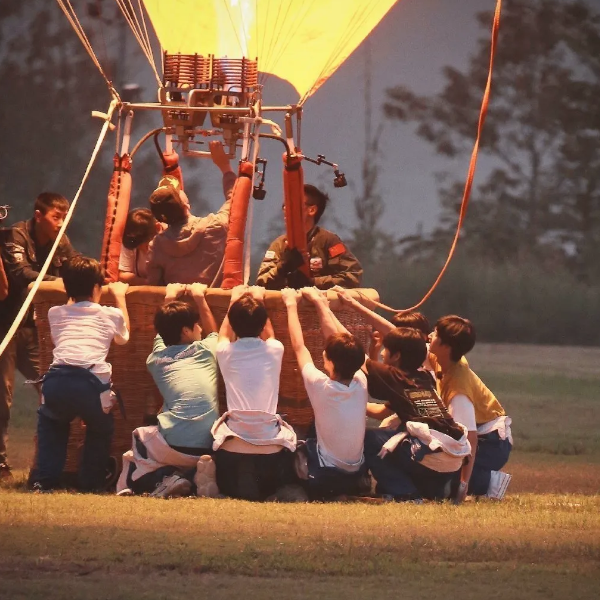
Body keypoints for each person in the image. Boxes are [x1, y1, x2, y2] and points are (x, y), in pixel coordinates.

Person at [335, 288, 471, 502]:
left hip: (434, 453)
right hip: (452, 457)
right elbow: (380, 406)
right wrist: (354, 305)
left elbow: (349, 348)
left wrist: (322, 307)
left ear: (397, 355)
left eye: (386, 350)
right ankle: (431, 492)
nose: (382, 353)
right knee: (398, 430)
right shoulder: (425, 375)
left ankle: (404, 493)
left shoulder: (395, 375)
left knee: (370, 438)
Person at [31, 256, 130, 492]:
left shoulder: (55, 313)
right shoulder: (110, 314)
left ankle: (44, 481)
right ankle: (91, 483)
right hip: (92, 385)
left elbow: (61, 337)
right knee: (100, 428)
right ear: (97, 287)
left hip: (57, 381)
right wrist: (119, 297)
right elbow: (123, 339)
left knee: (52, 427)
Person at [0, 192, 77, 479]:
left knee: (52, 388)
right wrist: (60, 282)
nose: (61, 223)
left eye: (64, 217)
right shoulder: (14, 236)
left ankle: (55, 459)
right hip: (6, 325)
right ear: (39, 215)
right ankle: (1, 462)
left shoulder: (61, 242)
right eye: (56, 217)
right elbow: (21, 273)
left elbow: (75, 265)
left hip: (35, 329)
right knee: (2, 397)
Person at [119, 282, 221, 499]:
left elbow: (160, 335)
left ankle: (166, 478)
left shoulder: (156, 360)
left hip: (172, 444)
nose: (201, 329)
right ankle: (194, 476)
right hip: (209, 444)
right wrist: (199, 297)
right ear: (186, 331)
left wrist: (169, 296)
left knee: (139, 438)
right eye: (196, 325)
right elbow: (214, 332)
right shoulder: (205, 351)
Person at [212, 285, 297, 501]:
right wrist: (260, 299)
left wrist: (234, 297)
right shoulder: (275, 350)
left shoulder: (223, 351)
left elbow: (223, 333)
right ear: (262, 324)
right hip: (271, 450)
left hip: (232, 448)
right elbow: (270, 335)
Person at [282, 286, 367, 500]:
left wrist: (290, 304)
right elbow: (341, 340)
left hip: (324, 476)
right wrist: (321, 304)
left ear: (329, 361)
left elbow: (299, 347)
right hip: (356, 472)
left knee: (289, 446)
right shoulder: (362, 381)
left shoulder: (321, 386)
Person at [428, 315, 513, 502]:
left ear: (446, 347)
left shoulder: (459, 392)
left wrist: (463, 483)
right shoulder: (446, 359)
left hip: (491, 442)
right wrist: (355, 306)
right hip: (482, 437)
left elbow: (470, 439)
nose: (429, 336)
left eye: (435, 334)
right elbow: (399, 339)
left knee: (446, 474)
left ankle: (490, 482)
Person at [146, 141, 236, 287]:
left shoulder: (156, 246)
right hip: (215, 308)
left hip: (176, 308)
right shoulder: (216, 226)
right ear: (186, 205)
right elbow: (236, 200)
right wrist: (225, 167)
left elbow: (154, 286)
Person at [255, 184, 363, 290]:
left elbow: (353, 276)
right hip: (285, 305)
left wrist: (312, 283)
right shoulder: (279, 244)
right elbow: (261, 282)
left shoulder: (327, 241)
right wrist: (282, 268)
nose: (286, 209)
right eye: (285, 205)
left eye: (293, 204)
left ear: (312, 210)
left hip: (320, 305)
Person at [118, 208, 162, 285]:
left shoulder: (171, 238)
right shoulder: (130, 241)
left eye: (145, 244)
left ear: (158, 228)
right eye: (138, 246)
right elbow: (123, 275)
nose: (141, 249)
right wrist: (148, 283)